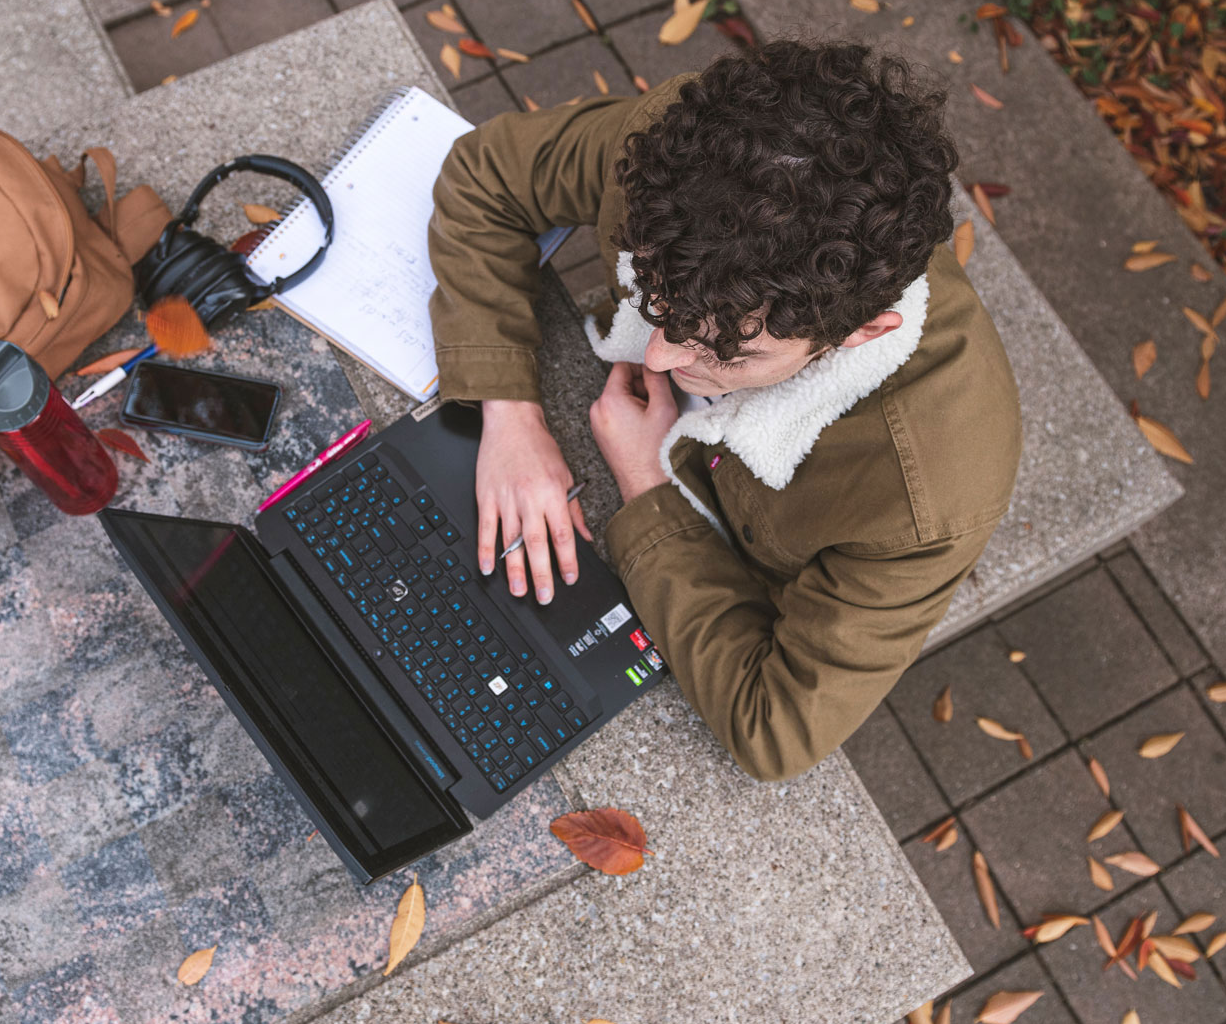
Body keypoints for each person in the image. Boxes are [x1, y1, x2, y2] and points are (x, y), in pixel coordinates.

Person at [425, 39, 1022, 782]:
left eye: (726, 353)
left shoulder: (929, 493)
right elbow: (484, 173)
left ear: (862, 333)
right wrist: (510, 414)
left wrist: (646, 485)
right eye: (655, 301)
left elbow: (773, 731)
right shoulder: (685, 161)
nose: (660, 359)